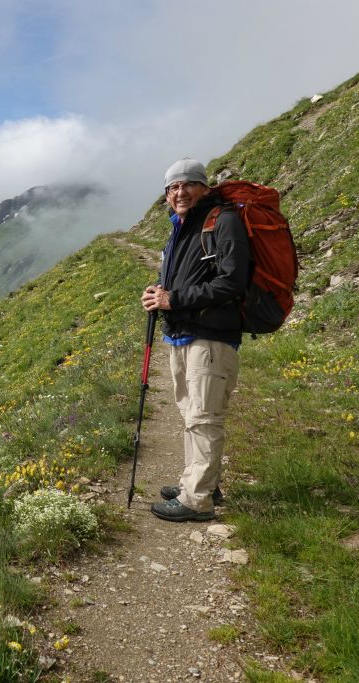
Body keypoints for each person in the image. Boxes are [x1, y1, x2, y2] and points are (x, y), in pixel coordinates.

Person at [141, 158, 250, 522]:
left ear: (205, 188)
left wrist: (175, 299)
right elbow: (184, 280)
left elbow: (232, 282)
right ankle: (198, 481)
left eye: (188, 184)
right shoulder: (181, 228)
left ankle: (197, 500)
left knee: (203, 417)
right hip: (183, 334)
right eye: (172, 187)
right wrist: (159, 292)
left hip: (212, 336)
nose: (179, 192)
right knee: (191, 413)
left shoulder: (224, 221)